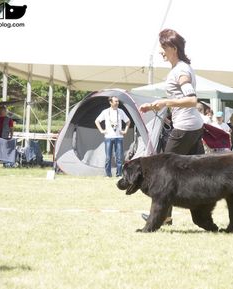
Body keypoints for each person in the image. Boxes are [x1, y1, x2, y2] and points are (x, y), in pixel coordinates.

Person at [139, 28, 205, 226]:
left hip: (185, 129)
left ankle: (160, 217)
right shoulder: (180, 68)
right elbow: (179, 98)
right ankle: (199, 214)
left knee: (163, 172)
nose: (160, 51)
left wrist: (165, 103)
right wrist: (155, 105)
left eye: (163, 47)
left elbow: (192, 99)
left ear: (172, 48)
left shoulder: (181, 71)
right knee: (200, 173)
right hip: (193, 127)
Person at [95, 96, 130, 177]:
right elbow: (97, 121)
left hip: (119, 137)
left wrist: (125, 131)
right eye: (115, 101)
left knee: (119, 157)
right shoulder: (105, 112)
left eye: (118, 101)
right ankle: (108, 175)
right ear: (110, 102)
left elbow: (128, 121)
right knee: (108, 157)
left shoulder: (120, 111)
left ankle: (119, 174)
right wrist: (101, 130)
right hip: (108, 137)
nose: (117, 103)